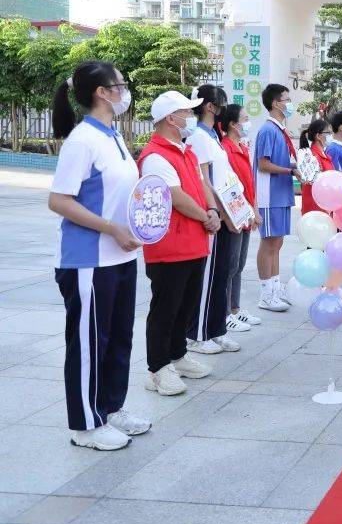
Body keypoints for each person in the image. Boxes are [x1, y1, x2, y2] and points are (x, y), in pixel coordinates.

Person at [48, 62, 150, 450]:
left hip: (120, 257)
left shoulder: (114, 136)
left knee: (119, 336)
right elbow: (59, 200)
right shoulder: (82, 140)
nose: (125, 91)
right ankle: (86, 425)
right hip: (88, 260)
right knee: (90, 342)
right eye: (120, 85)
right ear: (102, 93)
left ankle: (110, 407)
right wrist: (111, 229)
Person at [138, 90, 219, 396]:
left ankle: (178, 354)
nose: (191, 118)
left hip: (195, 241)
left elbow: (201, 184)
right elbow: (175, 197)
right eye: (187, 112)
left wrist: (211, 210)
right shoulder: (155, 156)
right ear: (171, 118)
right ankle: (158, 369)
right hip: (170, 247)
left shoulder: (186, 151)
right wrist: (205, 216)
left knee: (186, 304)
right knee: (165, 308)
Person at [184, 85, 242, 354]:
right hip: (216, 215)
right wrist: (217, 212)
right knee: (209, 277)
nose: (223, 108)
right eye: (222, 103)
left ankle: (216, 329)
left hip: (228, 213)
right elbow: (203, 180)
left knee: (221, 277)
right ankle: (197, 334)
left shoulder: (212, 136)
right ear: (210, 106)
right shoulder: (197, 136)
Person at [252, 83, 297, 313]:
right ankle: (265, 294)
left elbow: (280, 160)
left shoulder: (280, 130)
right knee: (269, 242)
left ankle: (276, 289)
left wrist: (296, 167)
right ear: (275, 103)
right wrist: (290, 170)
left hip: (282, 193)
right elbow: (263, 164)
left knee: (277, 243)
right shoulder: (268, 130)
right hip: (269, 195)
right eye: (286, 100)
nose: (290, 103)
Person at [218, 104, 262, 331]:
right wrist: (245, 211)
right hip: (235, 215)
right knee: (230, 265)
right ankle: (224, 312)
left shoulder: (242, 148)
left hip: (245, 214)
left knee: (240, 264)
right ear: (233, 124)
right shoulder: (225, 149)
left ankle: (235, 308)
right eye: (244, 119)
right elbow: (229, 188)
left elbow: (249, 184)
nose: (248, 122)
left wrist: (254, 210)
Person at [298, 119, 334, 215]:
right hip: (315, 209)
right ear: (318, 136)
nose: (331, 135)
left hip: (325, 208)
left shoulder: (324, 155)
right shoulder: (311, 157)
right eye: (328, 133)